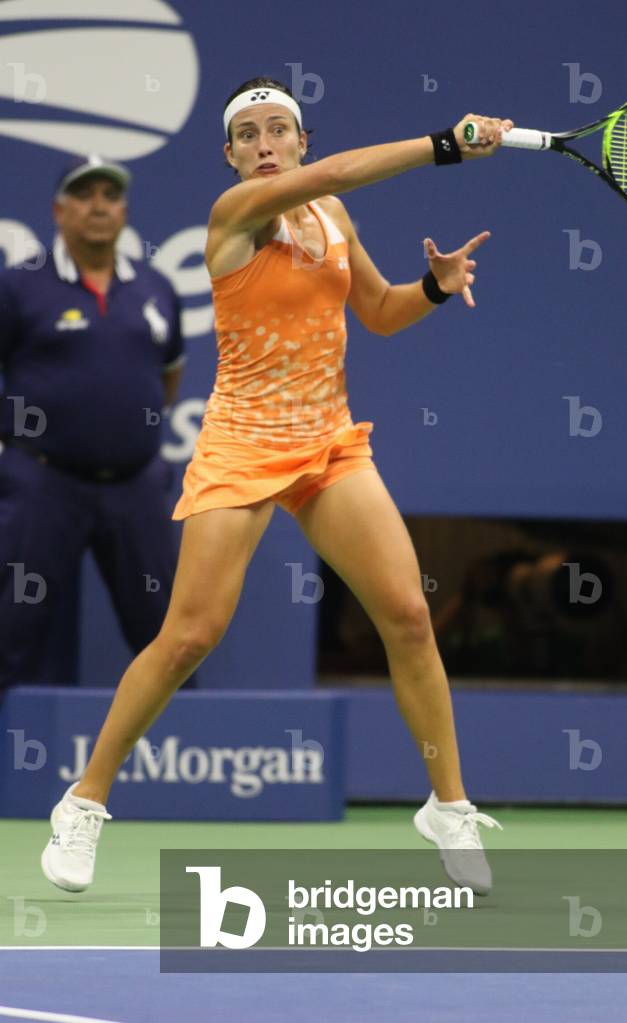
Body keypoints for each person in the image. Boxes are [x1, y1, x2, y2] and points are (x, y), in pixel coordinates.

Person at [41, 79, 513, 897]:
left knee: (408, 615)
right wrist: (444, 143)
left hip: (328, 442)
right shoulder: (236, 214)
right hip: (243, 442)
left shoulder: (332, 219)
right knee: (190, 635)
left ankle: (449, 806)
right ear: (229, 155)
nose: (265, 145)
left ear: (300, 139)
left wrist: (434, 286)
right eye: (249, 135)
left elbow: (380, 312)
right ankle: (84, 800)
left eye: (280, 131)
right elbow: (333, 173)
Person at [0, 155, 193, 695]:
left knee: (169, 637)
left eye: (110, 195)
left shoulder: (155, 287)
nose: (99, 206)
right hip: (42, 482)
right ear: (59, 211)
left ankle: (184, 745)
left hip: (135, 487)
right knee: (11, 631)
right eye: (84, 195)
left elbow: (169, 373)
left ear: (124, 211)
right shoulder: (19, 286)